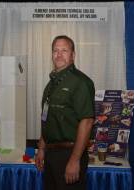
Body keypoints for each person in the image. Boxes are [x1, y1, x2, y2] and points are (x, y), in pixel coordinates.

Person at [35, 35, 95, 190]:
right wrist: (41, 148)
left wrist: (75, 160)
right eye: (55, 50)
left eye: (64, 50)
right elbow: (46, 118)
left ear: (73, 55)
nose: (59, 54)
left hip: (70, 153)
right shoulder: (51, 84)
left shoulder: (81, 82)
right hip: (51, 153)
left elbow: (87, 122)